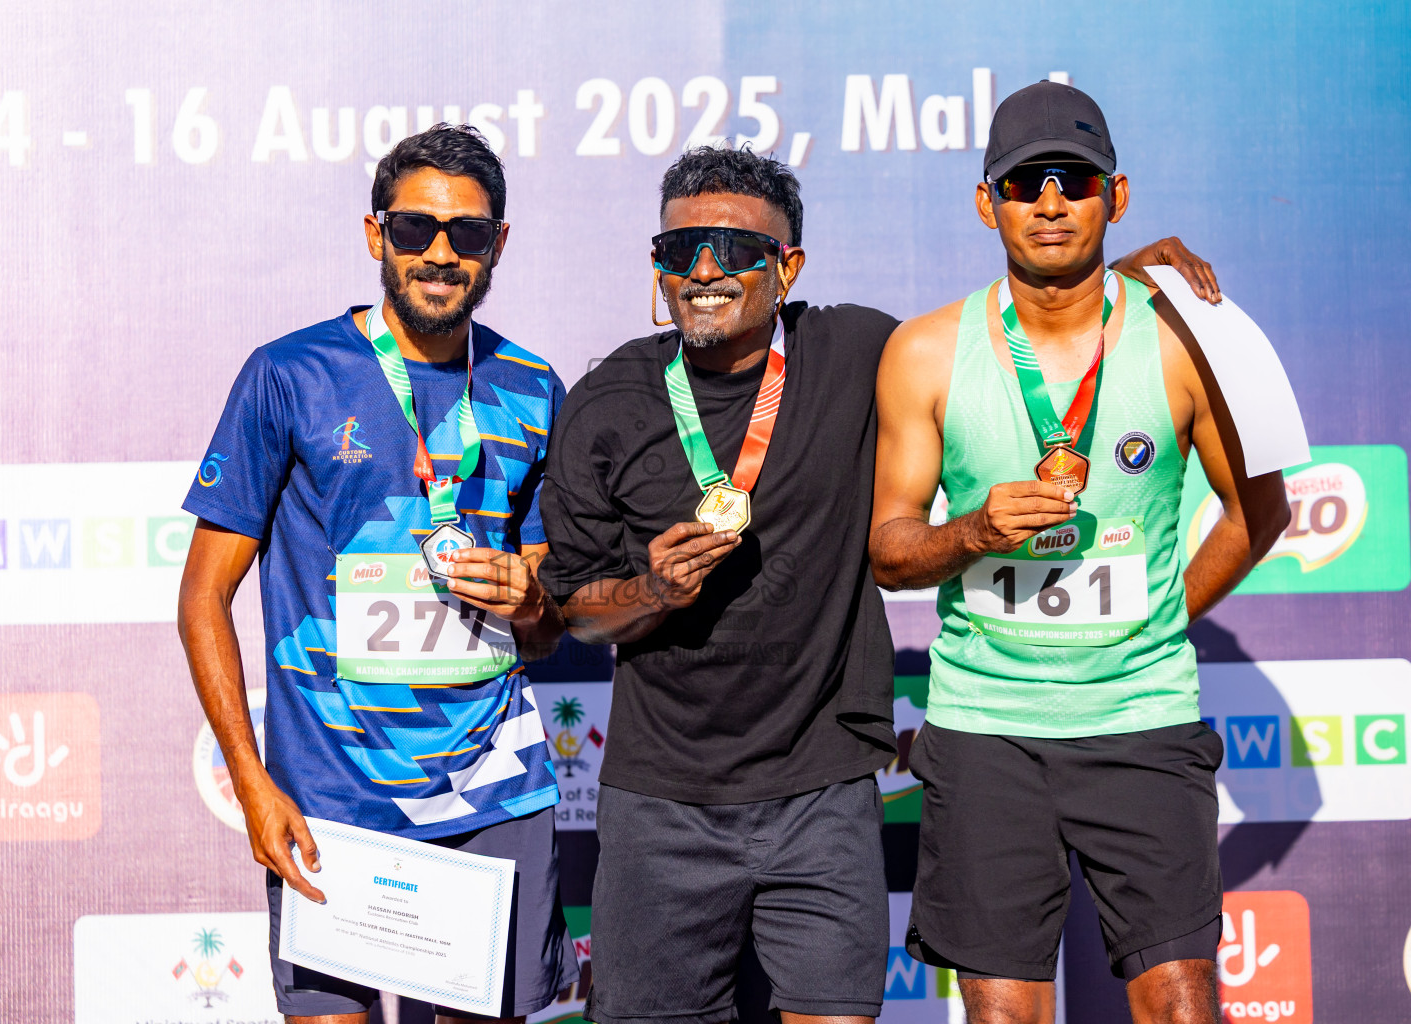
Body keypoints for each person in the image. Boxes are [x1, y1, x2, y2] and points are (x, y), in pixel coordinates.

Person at [538, 143, 1218, 1024]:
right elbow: (574, 613)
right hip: (660, 801)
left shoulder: (862, 351)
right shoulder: (608, 401)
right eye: (679, 250)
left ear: (789, 268)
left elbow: (1003, 327)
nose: (704, 270)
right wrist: (652, 593)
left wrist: (1110, 277)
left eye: (734, 249)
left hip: (823, 794)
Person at [868, 81, 1290, 1024]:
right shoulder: (928, 351)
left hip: (1141, 718)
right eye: (1024, 181)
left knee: (1181, 1008)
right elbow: (890, 549)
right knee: (1006, 1015)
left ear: (1117, 194)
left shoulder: (1185, 343)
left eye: (1074, 179)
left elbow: (1259, 509)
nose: (1050, 200)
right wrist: (975, 530)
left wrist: (1157, 619)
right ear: (988, 203)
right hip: (987, 728)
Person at [177, 125, 577, 1024]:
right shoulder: (290, 375)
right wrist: (252, 782)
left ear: (498, 246)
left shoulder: (531, 385)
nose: (440, 253)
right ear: (375, 235)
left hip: (493, 791)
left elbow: (549, 623)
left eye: (468, 234)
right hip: (330, 794)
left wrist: (533, 599)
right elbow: (203, 594)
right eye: (414, 229)